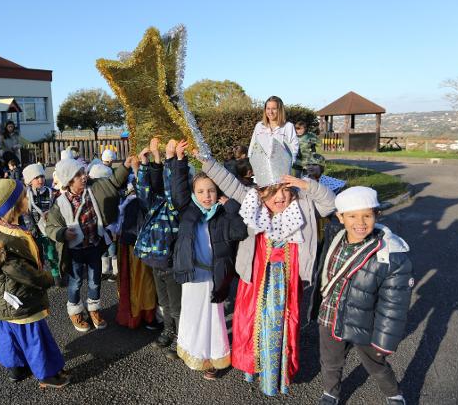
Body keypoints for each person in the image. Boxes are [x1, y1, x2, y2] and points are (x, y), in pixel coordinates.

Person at [196, 138, 336, 396]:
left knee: (280, 327)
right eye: (274, 192)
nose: (281, 197)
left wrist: (306, 185)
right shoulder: (253, 202)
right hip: (257, 280)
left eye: (285, 190)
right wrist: (207, 161)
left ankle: (275, 377)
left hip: (287, 282)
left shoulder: (303, 203)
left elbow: (330, 204)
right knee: (253, 324)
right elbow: (228, 182)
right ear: (262, 193)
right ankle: (254, 366)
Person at [0, 179, 70, 389]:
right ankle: (48, 373)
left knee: (7, 332)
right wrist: (46, 278)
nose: (27, 199)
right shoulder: (10, 240)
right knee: (34, 336)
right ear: (14, 206)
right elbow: (23, 272)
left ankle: (16, 368)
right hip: (20, 299)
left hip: (3, 299)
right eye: (24, 197)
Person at [308, 186, 413, 405]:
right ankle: (331, 393)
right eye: (352, 216)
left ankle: (394, 394)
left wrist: (384, 341)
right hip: (330, 315)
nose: (360, 222)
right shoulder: (334, 238)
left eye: (367, 215)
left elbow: (393, 304)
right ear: (341, 217)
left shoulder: (389, 255)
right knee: (330, 361)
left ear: (377, 215)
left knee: (376, 363)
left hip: (366, 321)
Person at [170, 140, 248, 380]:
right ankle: (193, 351)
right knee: (192, 314)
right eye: (201, 191)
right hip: (193, 275)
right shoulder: (187, 210)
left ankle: (215, 358)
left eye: (211, 190)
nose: (207, 196)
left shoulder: (224, 214)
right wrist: (179, 161)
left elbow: (240, 233)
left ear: (218, 192)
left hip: (215, 275)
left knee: (214, 318)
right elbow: (178, 188)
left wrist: (233, 208)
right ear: (194, 194)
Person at [46, 155, 133, 332]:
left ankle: (94, 310)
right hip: (75, 251)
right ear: (69, 181)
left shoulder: (94, 189)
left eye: (83, 173)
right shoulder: (60, 203)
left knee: (94, 281)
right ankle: (75, 311)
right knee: (75, 282)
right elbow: (50, 227)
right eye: (78, 175)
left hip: (94, 246)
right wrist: (62, 233)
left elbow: (114, 181)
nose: (84, 176)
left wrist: (125, 165)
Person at [134, 138, 181, 359]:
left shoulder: (172, 204)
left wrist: (167, 158)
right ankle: (168, 331)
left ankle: (182, 338)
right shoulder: (151, 204)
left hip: (170, 262)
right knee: (163, 301)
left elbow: (172, 186)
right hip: (155, 261)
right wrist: (146, 163)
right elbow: (144, 190)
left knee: (176, 304)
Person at [114, 169, 158, 329]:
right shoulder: (135, 202)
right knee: (142, 282)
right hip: (136, 248)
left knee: (135, 282)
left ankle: (140, 313)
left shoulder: (129, 201)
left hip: (129, 245)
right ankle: (144, 314)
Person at [22, 163, 63, 286]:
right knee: (37, 255)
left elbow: (58, 208)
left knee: (52, 254)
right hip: (34, 231)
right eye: (36, 178)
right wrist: (31, 229)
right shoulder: (26, 195)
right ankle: (40, 277)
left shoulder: (51, 193)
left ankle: (56, 275)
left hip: (48, 229)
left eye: (42, 176)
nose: (40, 180)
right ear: (29, 181)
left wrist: (51, 214)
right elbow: (25, 213)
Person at [88, 162, 119, 282]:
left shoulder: (110, 193)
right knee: (102, 250)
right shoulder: (91, 191)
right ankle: (105, 270)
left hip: (110, 226)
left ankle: (116, 271)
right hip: (99, 226)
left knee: (112, 249)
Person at [248, 96, 299, 163]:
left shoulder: (288, 126)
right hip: (262, 166)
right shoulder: (259, 126)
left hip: (281, 166)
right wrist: (251, 161)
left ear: (280, 110)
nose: (270, 112)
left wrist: (290, 163)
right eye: (268, 108)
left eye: (274, 109)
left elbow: (294, 149)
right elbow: (252, 146)